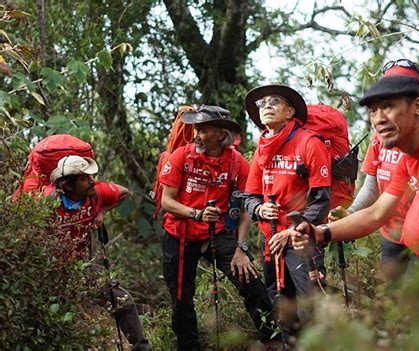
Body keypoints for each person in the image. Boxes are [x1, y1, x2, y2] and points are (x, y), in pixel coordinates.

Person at [291, 60, 419, 267]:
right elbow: (377, 213)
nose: (379, 119)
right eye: (373, 111)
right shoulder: (410, 156)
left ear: (418, 106)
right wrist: (321, 232)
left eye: (388, 107)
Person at [159, 105, 274, 350]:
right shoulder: (181, 156)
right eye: (196, 129)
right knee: (181, 298)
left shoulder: (239, 164)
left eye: (203, 130)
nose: (196, 135)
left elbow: (245, 208)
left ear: (221, 135)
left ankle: (274, 337)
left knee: (249, 279)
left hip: (217, 234)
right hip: (179, 233)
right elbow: (166, 201)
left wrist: (241, 249)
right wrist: (197, 214)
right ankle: (189, 347)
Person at [243, 85, 331, 344]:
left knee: (309, 305)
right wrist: (259, 209)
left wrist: (292, 231)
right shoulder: (262, 147)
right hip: (270, 239)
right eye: (262, 103)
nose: (267, 106)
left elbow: (321, 201)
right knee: (281, 303)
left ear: (290, 111)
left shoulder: (309, 143)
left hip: (301, 238)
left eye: (275, 101)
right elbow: (249, 197)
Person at [329, 61, 419, 280]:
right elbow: (372, 184)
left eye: (391, 104)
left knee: (416, 305)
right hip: (391, 233)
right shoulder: (381, 138)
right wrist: (351, 214)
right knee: (393, 300)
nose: (381, 116)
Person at [46, 155, 150, 351]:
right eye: (85, 178)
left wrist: (101, 210)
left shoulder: (95, 193)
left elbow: (124, 192)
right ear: (68, 185)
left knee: (121, 299)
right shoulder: (48, 202)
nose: (92, 181)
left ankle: (141, 348)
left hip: (82, 266)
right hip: (52, 269)